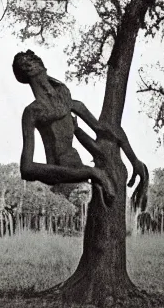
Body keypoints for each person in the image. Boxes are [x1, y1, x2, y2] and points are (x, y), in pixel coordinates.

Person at [13, 50, 148, 206]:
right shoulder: (32, 112)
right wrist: (92, 172)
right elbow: (27, 169)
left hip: (81, 175)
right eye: (31, 59)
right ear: (28, 69)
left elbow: (106, 129)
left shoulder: (69, 101)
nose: (38, 59)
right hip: (64, 182)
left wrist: (134, 160)